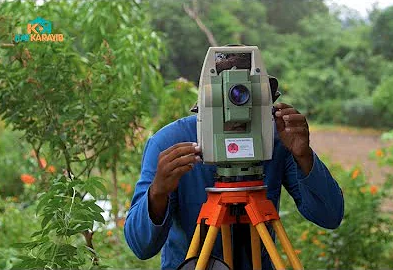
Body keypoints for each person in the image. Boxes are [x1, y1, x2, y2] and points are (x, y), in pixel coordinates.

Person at [124, 53, 344, 269]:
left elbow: (330, 216)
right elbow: (141, 246)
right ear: (207, 103)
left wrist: (303, 156)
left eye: (248, 97)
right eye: (230, 98)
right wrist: (157, 193)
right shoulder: (170, 143)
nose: (238, 108)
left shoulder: (277, 140)